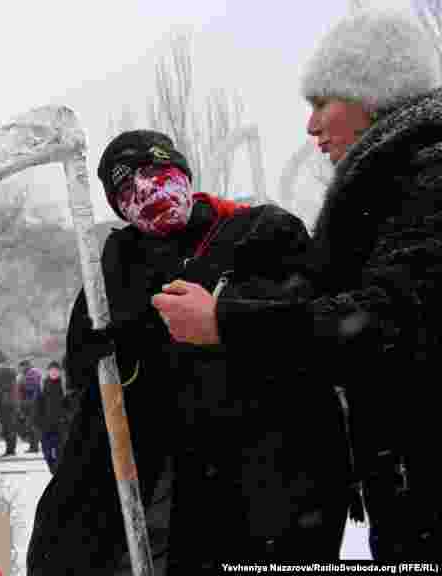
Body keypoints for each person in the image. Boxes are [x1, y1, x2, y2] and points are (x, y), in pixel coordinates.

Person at [155, 10, 442, 560]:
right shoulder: (395, 186)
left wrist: (225, 322)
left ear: (372, 96)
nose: (310, 128)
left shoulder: (428, 180)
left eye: (320, 105)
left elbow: (389, 320)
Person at [27, 130, 350, 574]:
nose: (145, 191)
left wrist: (225, 315)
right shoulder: (109, 271)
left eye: (154, 172)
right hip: (156, 487)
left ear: (182, 172)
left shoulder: (260, 232)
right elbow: (87, 389)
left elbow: (307, 331)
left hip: (261, 487)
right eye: (124, 190)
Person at [34, 360, 70, 473]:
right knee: (47, 452)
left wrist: (67, 418)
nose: (54, 373)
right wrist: (37, 422)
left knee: (60, 452)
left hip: (61, 425)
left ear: (59, 372)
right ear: (48, 372)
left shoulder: (65, 386)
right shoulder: (42, 385)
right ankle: (53, 469)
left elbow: (70, 405)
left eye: (56, 371)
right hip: (46, 425)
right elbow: (37, 405)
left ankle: (56, 472)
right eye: (52, 370)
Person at [0, 350, 19, 457]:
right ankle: (12, 449)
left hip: (4, 403)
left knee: (6, 426)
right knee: (11, 426)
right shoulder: (11, 370)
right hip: (13, 402)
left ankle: (9, 450)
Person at [16, 359, 42, 453]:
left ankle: (34, 447)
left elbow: (31, 387)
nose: (20, 369)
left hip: (31, 403)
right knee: (30, 425)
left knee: (31, 425)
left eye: (21, 367)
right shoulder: (29, 373)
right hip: (29, 402)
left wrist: (21, 382)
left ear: (25, 365)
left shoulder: (32, 373)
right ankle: (33, 446)